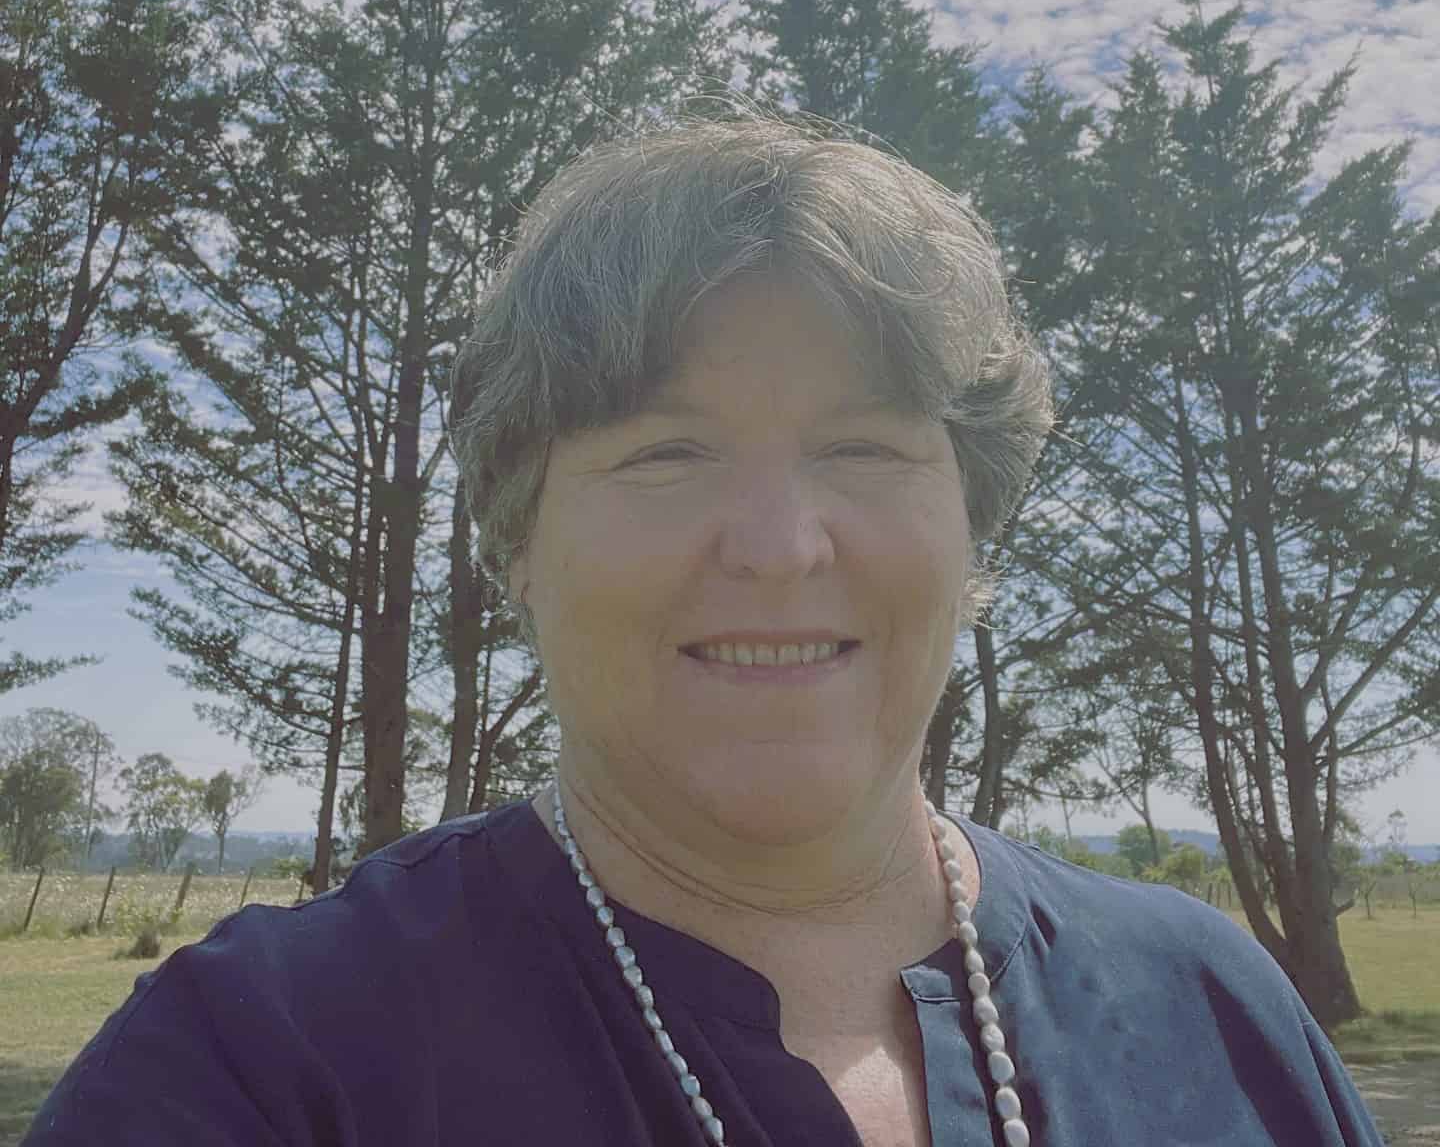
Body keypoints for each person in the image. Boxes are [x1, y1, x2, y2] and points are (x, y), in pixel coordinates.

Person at [26, 103, 1382, 1145]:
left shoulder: (1217, 1010)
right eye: (667, 454)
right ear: (515, 540)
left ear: (975, 526)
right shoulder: (261, 1064)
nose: (783, 548)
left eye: (863, 447)